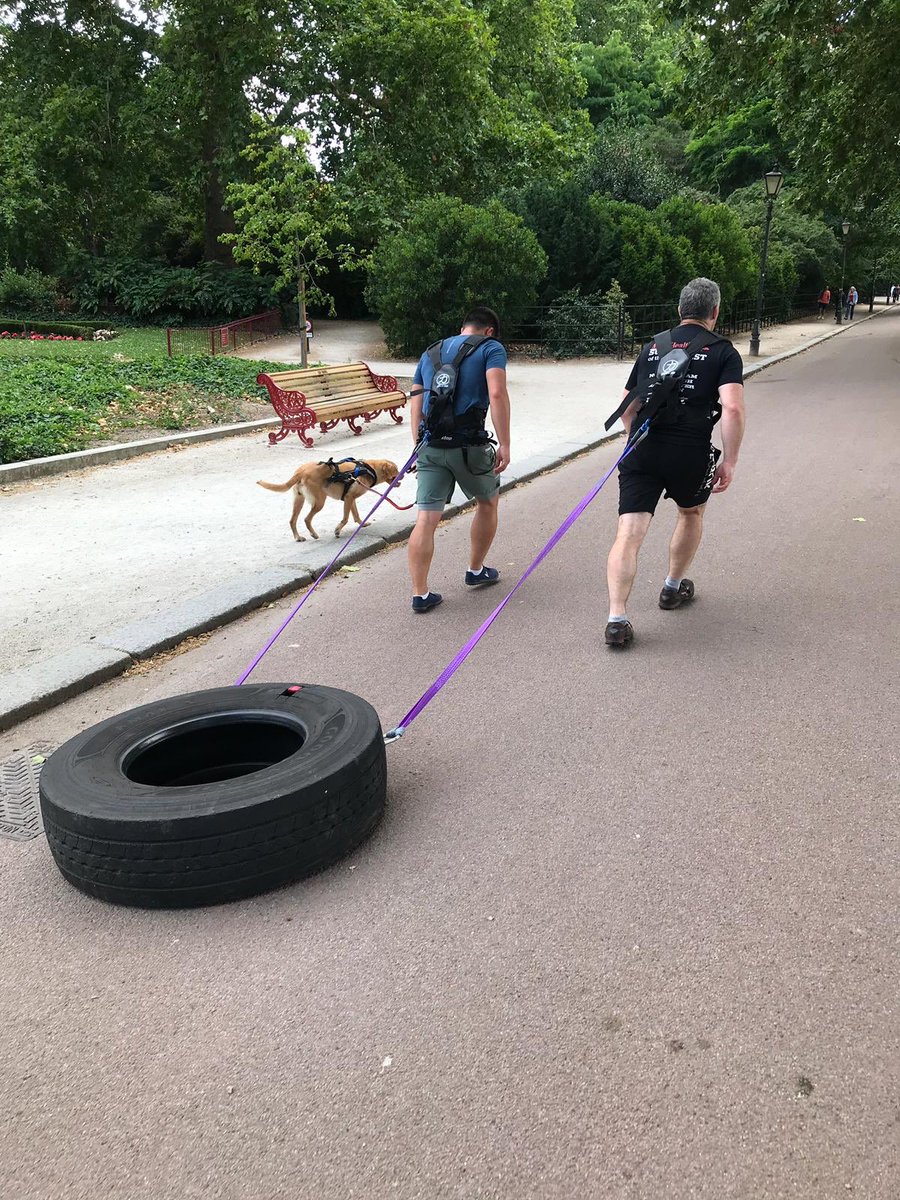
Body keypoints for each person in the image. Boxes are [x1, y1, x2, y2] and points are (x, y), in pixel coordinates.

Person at [604, 277, 745, 647]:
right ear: (714, 312)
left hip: (644, 448)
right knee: (690, 513)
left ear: (679, 310)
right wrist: (729, 460)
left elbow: (626, 405)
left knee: (629, 533)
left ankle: (616, 618)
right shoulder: (723, 351)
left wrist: (633, 438)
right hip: (690, 452)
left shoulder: (653, 346)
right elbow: (731, 406)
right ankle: (671, 587)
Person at [407, 306, 511, 613]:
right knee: (488, 501)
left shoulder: (431, 351)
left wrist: (417, 444)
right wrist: (504, 443)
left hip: (431, 445)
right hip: (470, 446)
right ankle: (476, 569)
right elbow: (496, 393)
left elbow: (416, 401)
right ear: (489, 330)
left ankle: (420, 593)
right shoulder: (491, 348)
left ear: (463, 326)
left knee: (426, 518)